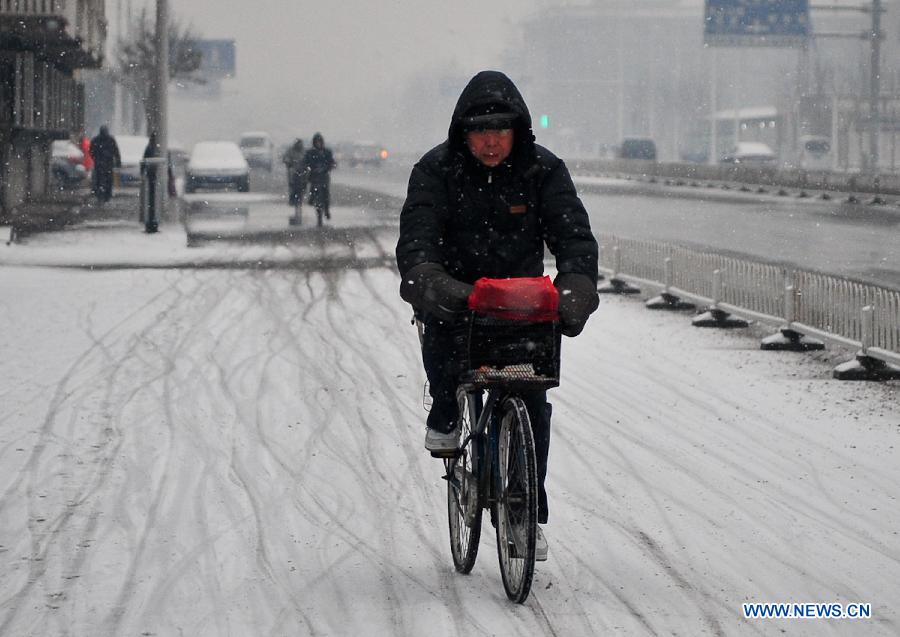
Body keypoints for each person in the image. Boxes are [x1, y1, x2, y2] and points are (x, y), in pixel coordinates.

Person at [395, 70, 600, 559]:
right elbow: (417, 240)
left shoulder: (543, 171)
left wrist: (575, 289)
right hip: (459, 297)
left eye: (500, 130)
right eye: (479, 131)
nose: (490, 142)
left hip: (518, 305)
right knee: (446, 345)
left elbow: (573, 238)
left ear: (518, 131)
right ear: (462, 134)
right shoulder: (435, 171)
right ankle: (445, 409)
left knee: (531, 398)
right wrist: (432, 282)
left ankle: (527, 511)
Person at [303, 132, 336, 219]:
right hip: (314, 176)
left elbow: (331, 162)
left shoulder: (327, 152)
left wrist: (327, 168)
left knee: (325, 194)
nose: (318, 143)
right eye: (316, 142)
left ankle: (327, 210)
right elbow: (305, 163)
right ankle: (312, 201)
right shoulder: (310, 153)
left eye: (319, 142)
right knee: (314, 192)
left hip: (324, 176)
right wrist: (309, 168)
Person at [89, 125, 121, 203]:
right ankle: (105, 196)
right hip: (105, 164)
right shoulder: (109, 140)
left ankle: (102, 196)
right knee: (105, 181)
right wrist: (117, 161)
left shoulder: (97, 140)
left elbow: (91, 152)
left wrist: (96, 158)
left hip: (102, 164)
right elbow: (116, 152)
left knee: (102, 180)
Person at [282, 138, 307, 207]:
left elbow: (308, 159)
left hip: (302, 171)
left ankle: (300, 196)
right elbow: (285, 158)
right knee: (292, 185)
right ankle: (292, 198)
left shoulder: (304, 151)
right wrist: (288, 162)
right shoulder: (291, 151)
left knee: (303, 184)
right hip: (293, 171)